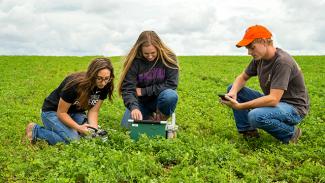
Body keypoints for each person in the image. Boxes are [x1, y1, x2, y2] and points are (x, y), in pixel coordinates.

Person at [220, 25, 309, 144]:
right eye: (248, 48)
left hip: (293, 108)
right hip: (278, 102)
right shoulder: (259, 59)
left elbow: (273, 99)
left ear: (263, 42)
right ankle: (248, 132)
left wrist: (240, 106)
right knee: (233, 88)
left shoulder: (283, 62)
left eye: (252, 47)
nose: (249, 52)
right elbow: (242, 77)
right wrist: (232, 93)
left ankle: (291, 134)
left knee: (255, 116)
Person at [25, 57, 115, 145]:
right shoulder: (74, 84)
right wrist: (79, 128)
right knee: (74, 140)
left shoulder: (105, 86)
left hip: (76, 113)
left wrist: (94, 131)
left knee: (88, 136)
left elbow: (93, 111)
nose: (103, 83)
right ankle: (36, 131)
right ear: (91, 75)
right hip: (53, 112)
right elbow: (62, 113)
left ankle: (67, 131)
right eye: (99, 78)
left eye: (106, 78)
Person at [118, 30, 179, 128]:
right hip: (141, 102)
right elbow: (128, 89)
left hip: (159, 101)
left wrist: (144, 91)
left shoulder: (169, 58)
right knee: (126, 127)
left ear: (159, 48)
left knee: (170, 96)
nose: (150, 56)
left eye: (153, 53)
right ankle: (148, 117)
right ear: (140, 50)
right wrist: (134, 108)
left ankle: (160, 119)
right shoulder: (134, 61)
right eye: (146, 54)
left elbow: (172, 84)